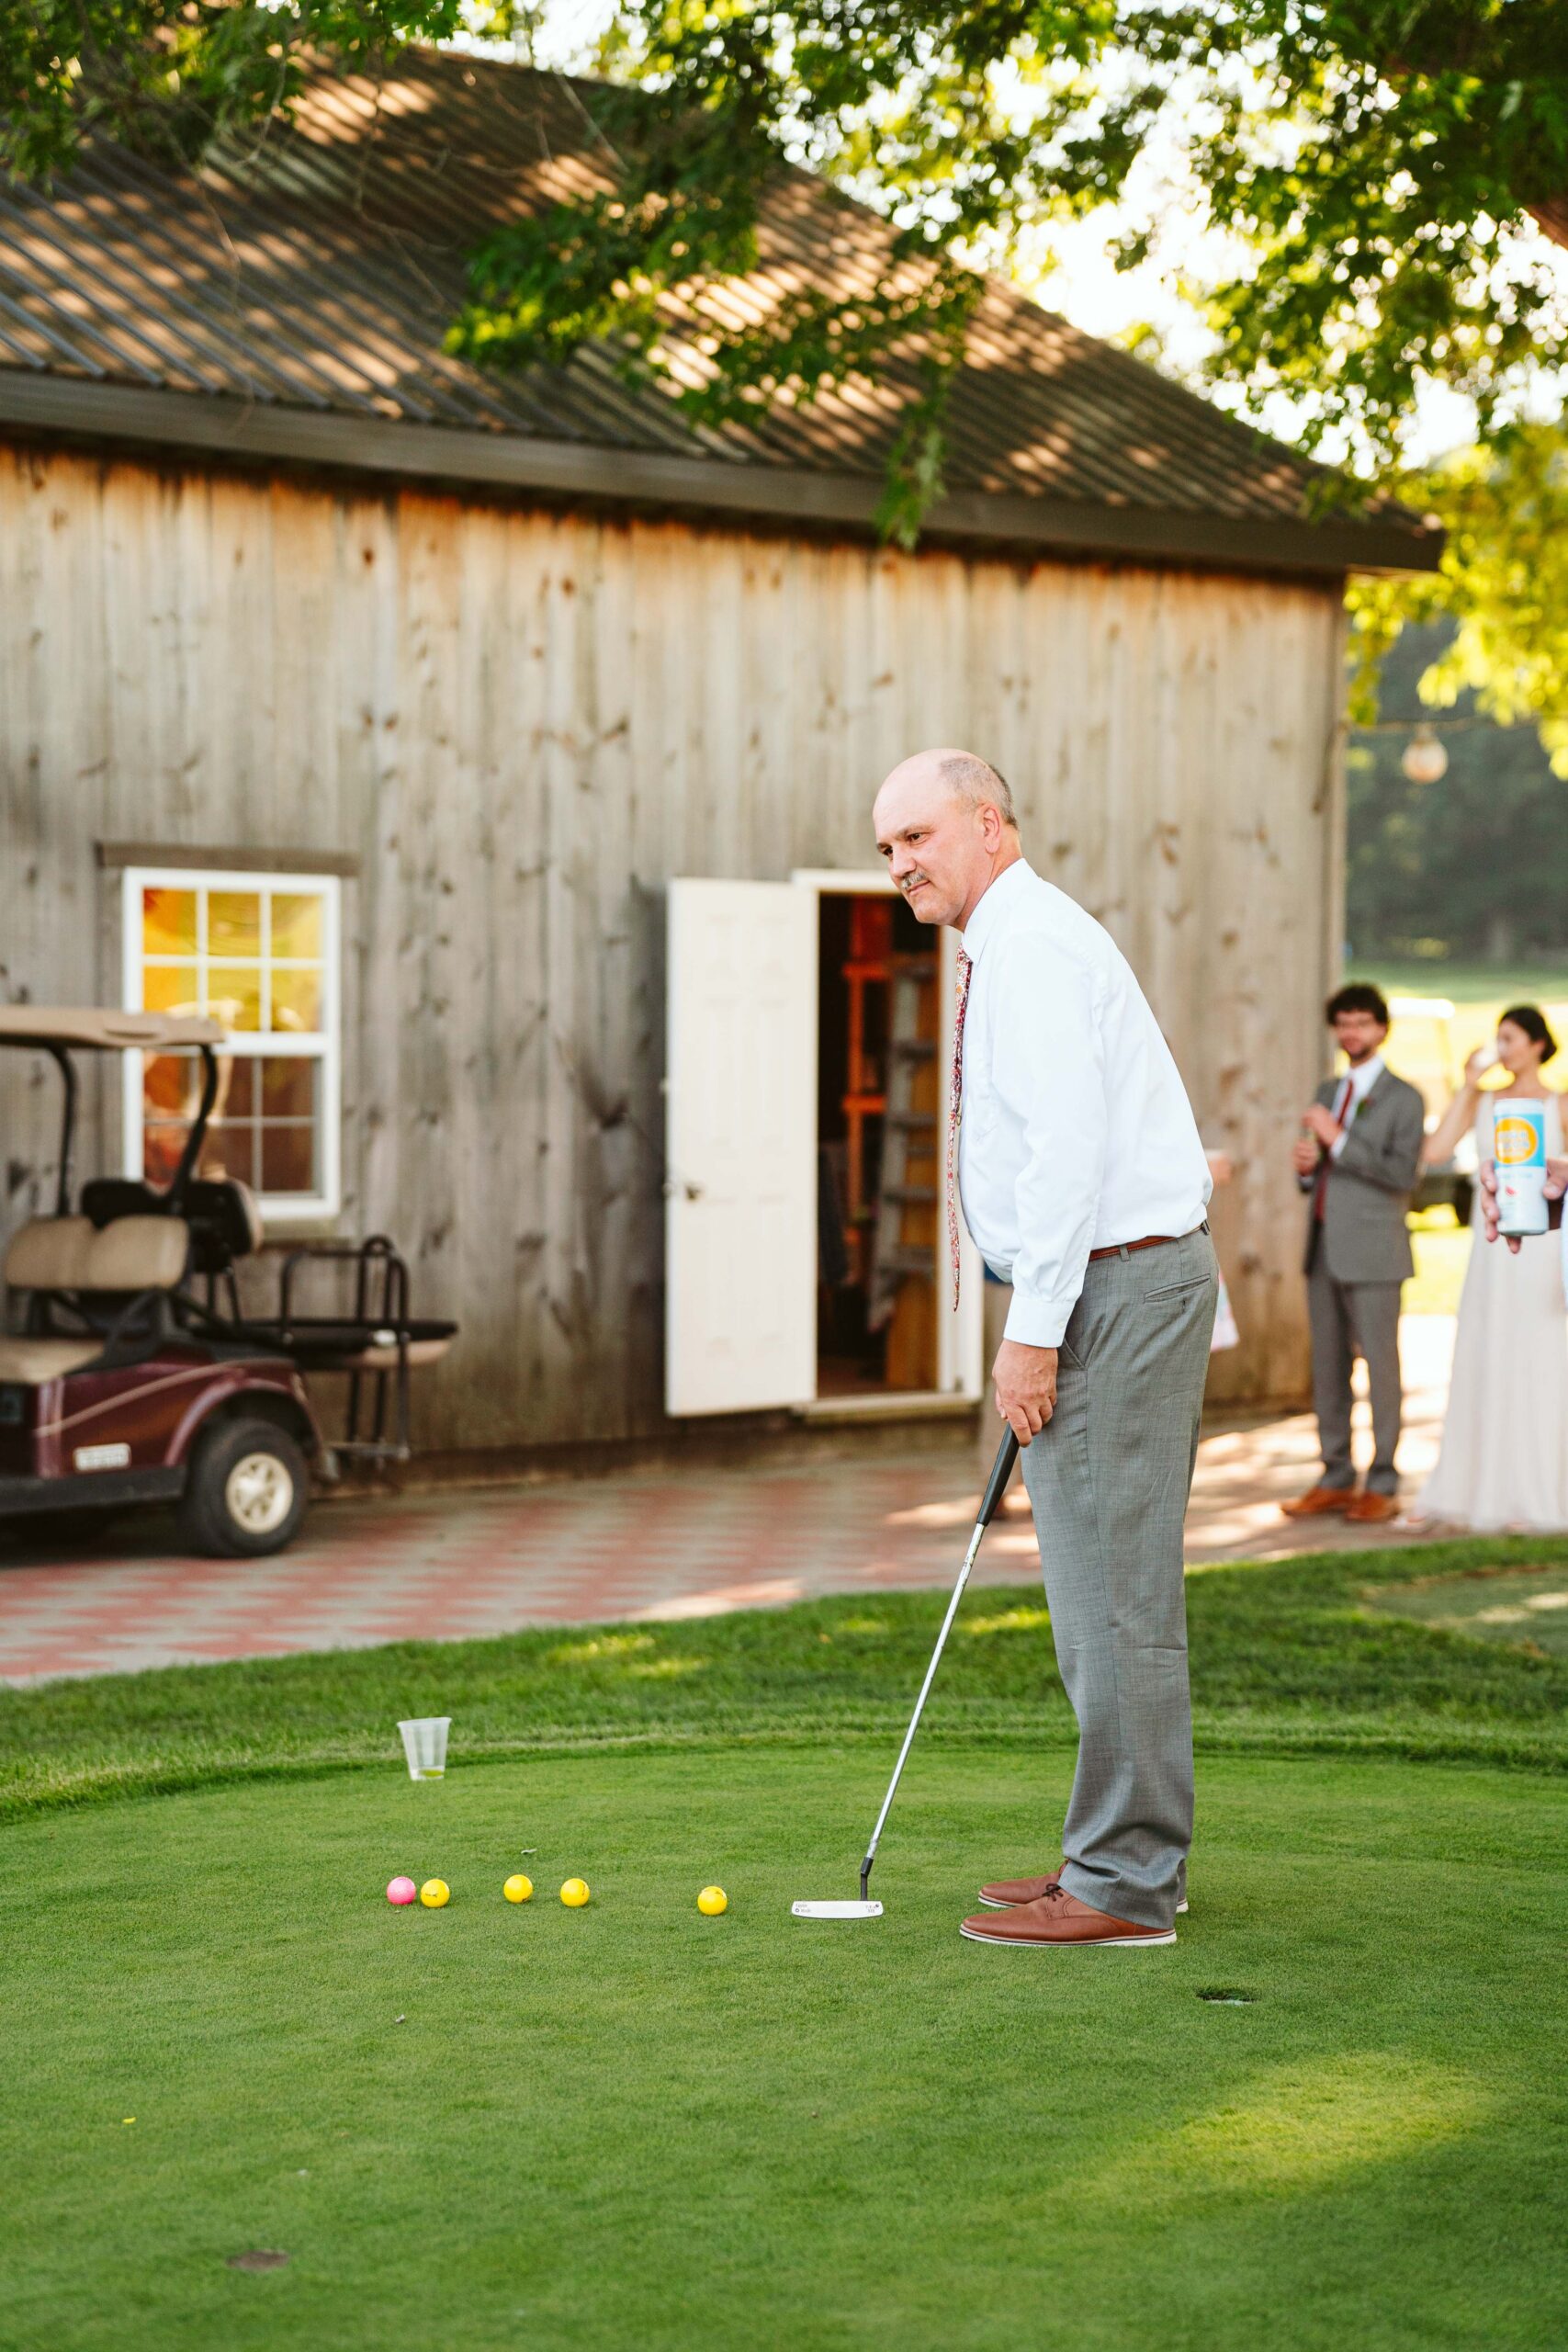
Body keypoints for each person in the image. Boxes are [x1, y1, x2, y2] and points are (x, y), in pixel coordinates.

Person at [872, 748, 1216, 1951]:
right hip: (1098, 1290)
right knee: (1092, 1595)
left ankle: (1122, 1886)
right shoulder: (1005, 945)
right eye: (885, 849)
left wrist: (1029, 1335)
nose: (899, 864)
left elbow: (1064, 1154)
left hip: (1108, 1296)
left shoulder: (1032, 946)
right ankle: (1114, 1854)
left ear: (988, 825)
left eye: (915, 837)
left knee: (1111, 1599)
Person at [1412, 1007, 1568, 1532]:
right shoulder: (1481, 1099)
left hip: (1542, 1248)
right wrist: (1466, 1086)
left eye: (1511, 1038)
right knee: (1488, 1351)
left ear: (1538, 1045)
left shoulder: (1559, 1103)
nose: (1501, 1047)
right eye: (1497, 1037)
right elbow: (1433, 1151)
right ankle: (1479, 1485)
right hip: (1490, 1246)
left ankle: (1542, 1486)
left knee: (1543, 1358)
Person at [1282, 983, 1425, 1525]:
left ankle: (1383, 1481)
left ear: (1382, 1029)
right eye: (1343, 1023)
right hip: (1321, 1250)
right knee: (1328, 1367)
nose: (1351, 1033)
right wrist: (1304, 1166)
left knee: (1381, 1370)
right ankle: (1336, 1475)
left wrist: (1337, 1138)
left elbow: (1401, 1176)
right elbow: (1320, 1173)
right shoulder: (1328, 1088)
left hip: (1375, 1253)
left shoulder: (1405, 1098)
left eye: (1362, 1023)